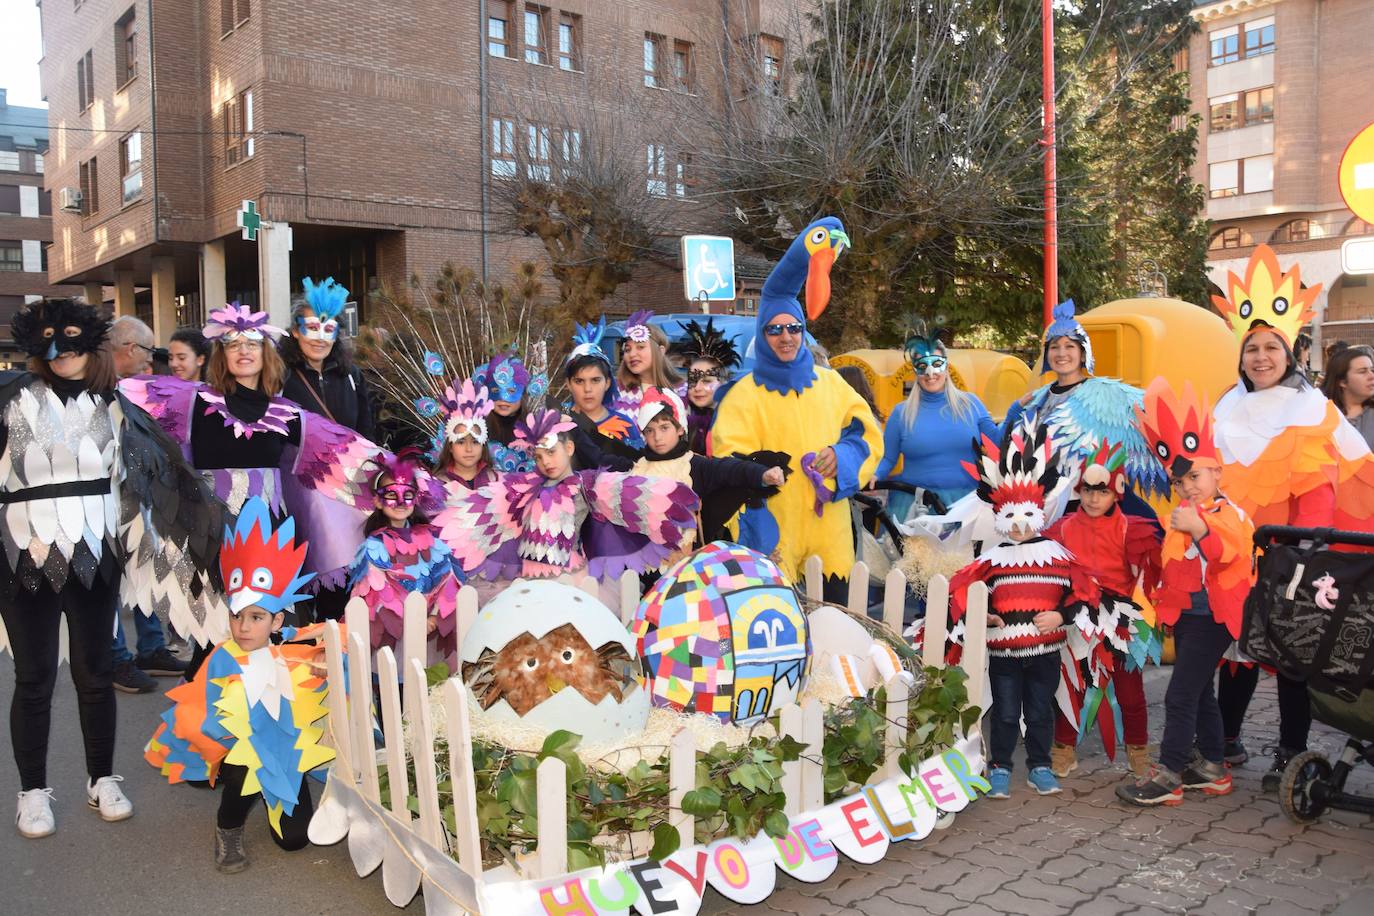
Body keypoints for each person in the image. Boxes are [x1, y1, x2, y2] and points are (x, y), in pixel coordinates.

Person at [4, 299, 223, 839]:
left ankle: (101, 778)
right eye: (49, 338)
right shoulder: (10, 402)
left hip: (94, 555)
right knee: (33, 679)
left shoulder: (117, 408)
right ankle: (32, 792)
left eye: (72, 337)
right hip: (21, 554)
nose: (60, 350)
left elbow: (154, 478)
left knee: (94, 675)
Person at [119, 302, 385, 660]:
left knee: (267, 634)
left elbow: (348, 452)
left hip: (269, 535)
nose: (243, 351)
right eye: (233, 343)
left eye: (253, 343)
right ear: (220, 354)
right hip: (211, 535)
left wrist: (407, 480)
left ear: (266, 353)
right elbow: (121, 402)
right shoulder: (192, 401)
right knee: (213, 635)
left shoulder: (287, 414)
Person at [1207, 245, 1374, 788]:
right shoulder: (1225, 408)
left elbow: (1325, 483)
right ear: (1240, 355)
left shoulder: (1312, 408)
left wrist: (1306, 554)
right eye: (1251, 347)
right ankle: (1227, 740)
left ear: (1289, 352)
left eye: (1270, 347)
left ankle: (1291, 749)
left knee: (1292, 654)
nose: (1260, 356)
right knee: (1238, 649)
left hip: (1294, 554)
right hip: (1238, 551)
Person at [145, 498, 338, 872]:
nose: (244, 627)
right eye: (237, 617)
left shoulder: (297, 645)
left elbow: (334, 649)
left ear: (277, 619)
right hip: (240, 754)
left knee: (295, 840)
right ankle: (228, 826)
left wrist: (325, 666)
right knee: (242, 768)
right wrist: (231, 740)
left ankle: (276, 800)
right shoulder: (221, 657)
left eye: (256, 617)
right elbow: (203, 713)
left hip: (287, 758)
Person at [711, 218, 883, 598]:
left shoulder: (832, 383)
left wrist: (842, 458)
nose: (786, 337)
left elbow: (866, 434)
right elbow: (728, 458)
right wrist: (760, 475)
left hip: (830, 535)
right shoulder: (742, 396)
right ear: (761, 334)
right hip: (773, 533)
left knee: (837, 626)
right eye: (774, 329)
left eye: (794, 327)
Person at [1117, 379, 1253, 806]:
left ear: (1217, 472)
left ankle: (1171, 773)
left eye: (1195, 476)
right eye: (1180, 482)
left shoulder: (1228, 514)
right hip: (1193, 618)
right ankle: (1212, 766)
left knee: (1178, 694)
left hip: (1216, 618)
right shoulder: (1181, 515)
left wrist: (1202, 530)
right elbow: (1172, 569)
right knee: (1199, 692)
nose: (1188, 487)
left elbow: (1229, 554)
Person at [943, 423, 1095, 799]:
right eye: (1010, 515)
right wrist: (982, 613)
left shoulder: (1059, 558)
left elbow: (1086, 593)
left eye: (1027, 513)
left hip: (1045, 652)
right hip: (1004, 654)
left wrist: (1062, 616)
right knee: (1007, 714)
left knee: (1041, 712)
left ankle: (1040, 766)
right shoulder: (991, 561)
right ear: (998, 516)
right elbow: (961, 589)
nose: (1020, 524)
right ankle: (1000, 767)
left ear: (1040, 510)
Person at [435, 408, 698, 586]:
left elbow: (630, 496)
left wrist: (665, 505)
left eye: (551, 452)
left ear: (569, 448)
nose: (546, 462)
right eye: (539, 457)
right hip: (528, 578)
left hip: (570, 576)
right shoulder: (524, 488)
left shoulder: (586, 485)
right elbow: (483, 513)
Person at [1045, 442, 1162, 779]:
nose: (1094, 499)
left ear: (1117, 492)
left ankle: (1138, 751)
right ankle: (1063, 749)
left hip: (1122, 620)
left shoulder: (1131, 528)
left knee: (1130, 691)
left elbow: (1149, 577)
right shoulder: (1064, 528)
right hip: (1077, 618)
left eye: (1103, 491)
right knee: (1071, 686)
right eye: (1088, 490)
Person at [1003, 300, 1169, 514]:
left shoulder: (1108, 393)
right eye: (1054, 347)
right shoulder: (1037, 398)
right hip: (1045, 507)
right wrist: (1013, 413)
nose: (1061, 353)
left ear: (1083, 354)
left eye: (1070, 346)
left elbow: (1159, 419)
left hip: (1092, 508)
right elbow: (1004, 445)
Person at [108, 314, 188, 693]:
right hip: (105, 499)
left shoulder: (135, 387)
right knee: (109, 580)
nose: (151, 360)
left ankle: (151, 648)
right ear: (129, 348)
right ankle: (115, 658)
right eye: (148, 350)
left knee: (145, 569)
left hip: (139, 494)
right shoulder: (96, 386)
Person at [630, 387, 785, 552]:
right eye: (649, 430)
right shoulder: (637, 467)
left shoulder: (695, 465)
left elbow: (729, 469)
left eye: (664, 428)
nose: (657, 437)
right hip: (643, 563)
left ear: (680, 428)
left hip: (685, 562)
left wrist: (762, 474)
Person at [875, 324, 1000, 522]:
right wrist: (873, 476)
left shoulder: (971, 404)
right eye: (922, 366)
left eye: (936, 363)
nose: (930, 373)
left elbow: (997, 442)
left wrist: (1017, 412)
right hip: (915, 508)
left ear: (947, 366)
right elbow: (888, 459)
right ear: (915, 371)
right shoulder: (902, 413)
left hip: (966, 507)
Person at [349, 452, 462, 661]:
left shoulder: (434, 543)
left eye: (407, 494)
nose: (401, 501)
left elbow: (449, 581)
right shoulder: (373, 548)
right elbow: (379, 595)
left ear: (416, 498)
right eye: (392, 494)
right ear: (378, 500)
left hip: (430, 637)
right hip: (394, 643)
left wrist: (435, 617)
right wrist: (414, 621)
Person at [279, 276, 375, 440]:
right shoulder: (278, 375)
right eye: (312, 327)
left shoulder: (352, 376)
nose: (320, 338)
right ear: (295, 331)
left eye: (329, 329)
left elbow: (365, 431)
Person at [565, 318, 642, 471]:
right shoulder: (556, 422)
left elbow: (640, 473)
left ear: (607, 383)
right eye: (579, 381)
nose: (587, 389)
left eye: (595, 380)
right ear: (568, 384)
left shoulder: (625, 426)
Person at [668, 318, 740, 454]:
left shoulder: (736, 418)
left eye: (706, 381)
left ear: (723, 382)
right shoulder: (677, 418)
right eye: (693, 381)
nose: (697, 388)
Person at [472, 349, 548, 473]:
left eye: (511, 391)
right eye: (496, 391)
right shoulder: (476, 429)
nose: (503, 399)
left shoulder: (536, 429)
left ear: (523, 394)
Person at [431, 378, 503, 489]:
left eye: (475, 442)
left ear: (483, 445)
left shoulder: (497, 481)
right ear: (450, 446)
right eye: (461, 442)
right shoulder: (436, 485)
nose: (469, 449)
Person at [613, 310, 682, 416]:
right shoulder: (614, 392)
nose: (632, 354)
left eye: (640, 347)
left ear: (660, 351)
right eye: (627, 349)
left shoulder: (682, 391)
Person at [1320, 344, 1374, 449]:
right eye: (1362, 372)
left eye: (1372, 370)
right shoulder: (1318, 415)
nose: (1371, 376)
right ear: (1342, 381)